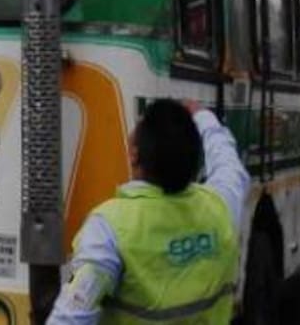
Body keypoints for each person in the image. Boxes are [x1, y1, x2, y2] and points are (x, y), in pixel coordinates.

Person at [48, 98, 250, 325]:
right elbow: (228, 163)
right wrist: (203, 117)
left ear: (135, 154)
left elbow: (71, 316)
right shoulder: (220, 205)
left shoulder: (109, 228)